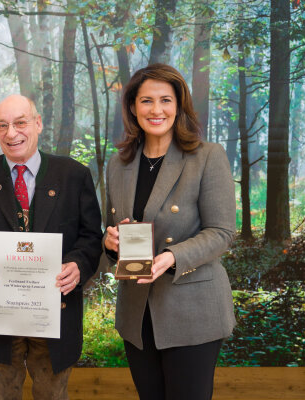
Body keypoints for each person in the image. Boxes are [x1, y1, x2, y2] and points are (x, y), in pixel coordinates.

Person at [0, 94, 103, 399]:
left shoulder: (74, 175)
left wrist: (77, 265)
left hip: (56, 315)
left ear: (37, 123)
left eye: (20, 123)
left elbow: (91, 237)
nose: (11, 133)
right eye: (2, 126)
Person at [103, 63, 236, 400]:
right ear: (133, 106)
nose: (156, 110)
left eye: (165, 100)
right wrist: (109, 242)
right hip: (136, 313)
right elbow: (110, 230)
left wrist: (170, 257)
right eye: (146, 101)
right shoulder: (118, 165)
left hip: (193, 311)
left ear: (179, 106)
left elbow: (222, 232)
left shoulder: (207, 157)